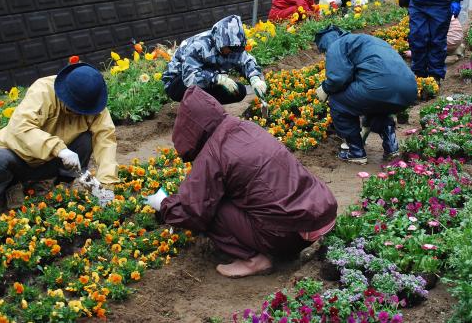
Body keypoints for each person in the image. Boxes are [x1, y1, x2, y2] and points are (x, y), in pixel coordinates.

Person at [143, 86, 338, 278]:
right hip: (317, 212)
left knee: (211, 209)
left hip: (286, 233)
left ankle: (253, 260)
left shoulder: (213, 152)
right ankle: (279, 246)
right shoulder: (245, 127)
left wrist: (164, 205)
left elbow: (194, 210)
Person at [0, 63, 119, 209]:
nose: (80, 113)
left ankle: (63, 182)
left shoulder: (93, 104)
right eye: (76, 109)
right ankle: (13, 186)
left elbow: (106, 141)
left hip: (53, 162)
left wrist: (106, 186)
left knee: (86, 139)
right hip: (19, 159)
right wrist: (59, 149)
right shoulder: (43, 91)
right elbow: (21, 127)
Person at [314, 25, 417, 164]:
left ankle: (355, 152)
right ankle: (391, 147)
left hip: (379, 87)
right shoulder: (366, 40)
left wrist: (325, 88)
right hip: (409, 89)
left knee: (337, 101)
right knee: (376, 103)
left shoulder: (336, 45)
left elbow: (338, 78)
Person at [162, 15, 267, 104]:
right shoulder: (199, 46)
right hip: (178, 83)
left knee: (239, 91)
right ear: (221, 41)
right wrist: (218, 79)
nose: (233, 51)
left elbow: (246, 61)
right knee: (198, 88)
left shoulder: (232, 47)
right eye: (231, 48)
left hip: (206, 81)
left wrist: (255, 79)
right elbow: (190, 78)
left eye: (236, 48)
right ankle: (199, 109)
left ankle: (208, 107)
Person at [396, 0, 464, 58]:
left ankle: (442, 56)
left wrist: (414, 53)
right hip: (457, 38)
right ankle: (456, 49)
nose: (408, 9)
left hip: (449, 40)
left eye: (407, 7)